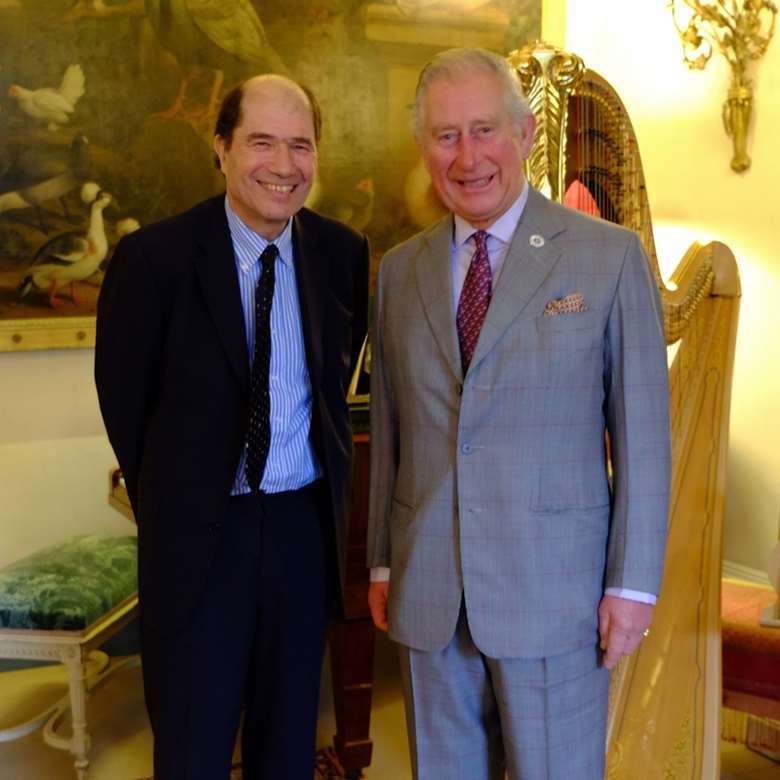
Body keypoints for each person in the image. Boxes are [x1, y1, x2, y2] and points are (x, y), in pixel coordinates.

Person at [367, 48, 670, 780]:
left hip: (554, 596)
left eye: (484, 130)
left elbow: (644, 438)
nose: (467, 156)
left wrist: (631, 585)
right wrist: (382, 558)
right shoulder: (399, 271)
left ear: (526, 131)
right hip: (429, 590)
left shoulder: (608, 258)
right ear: (423, 147)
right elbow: (391, 436)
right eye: (445, 136)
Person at [95, 74, 368, 780]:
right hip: (198, 539)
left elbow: (332, 392)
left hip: (302, 534)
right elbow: (125, 403)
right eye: (263, 143)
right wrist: (181, 496)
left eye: (301, 146)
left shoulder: (342, 255)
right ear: (221, 148)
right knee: (193, 747)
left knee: (288, 747)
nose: (284, 166)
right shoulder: (153, 260)